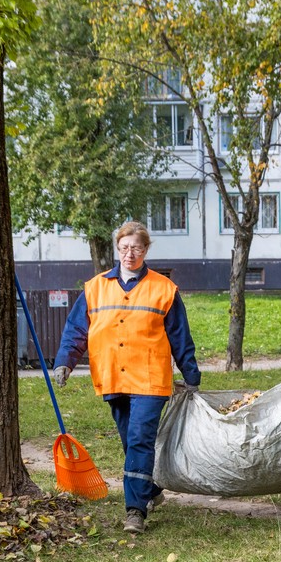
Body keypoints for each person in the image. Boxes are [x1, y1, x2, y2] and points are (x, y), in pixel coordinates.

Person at [53, 221, 201, 534]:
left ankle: (135, 510)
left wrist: (191, 374)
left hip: (149, 378)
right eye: (123, 248)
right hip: (112, 376)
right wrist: (64, 361)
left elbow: (179, 335)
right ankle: (152, 489)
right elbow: (77, 329)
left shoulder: (163, 289)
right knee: (129, 440)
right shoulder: (95, 287)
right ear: (117, 249)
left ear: (145, 250)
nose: (129, 254)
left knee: (139, 439)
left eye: (135, 248)